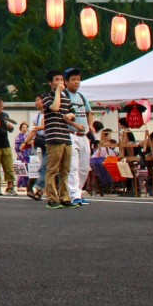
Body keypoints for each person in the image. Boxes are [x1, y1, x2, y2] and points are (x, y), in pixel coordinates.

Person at [42, 69, 77, 209]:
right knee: (52, 169)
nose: (60, 82)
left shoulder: (66, 98)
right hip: (53, 137)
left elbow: (72, 113)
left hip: (66, 137)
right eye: (57, 80)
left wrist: (71, 117)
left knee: (65, 170)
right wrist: (57, 92)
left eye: (62, 80)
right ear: (50, 83)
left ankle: (65, 197)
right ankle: (51, 198)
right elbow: (55, 107)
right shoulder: (47, 97)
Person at [63, 68, 94, 206]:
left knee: (84, 167)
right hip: (71, 134)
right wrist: (75, 125)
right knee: (73, 166)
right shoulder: (64, 96)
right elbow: (63, 117)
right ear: (66, 82)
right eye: (73, 79)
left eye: (78, 79)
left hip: (84, 136)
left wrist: (91, 126)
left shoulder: (82, 96)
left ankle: (79, 192)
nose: (77, 82)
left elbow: (89, 112)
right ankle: (74, 194)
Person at [21, 94, 46, 200]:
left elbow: (40, 128)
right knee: (41, 166)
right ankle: (36, 189)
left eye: (37, 100)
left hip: (50, 141)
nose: (36, 103)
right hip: (40, 142)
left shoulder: (49, 114)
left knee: (45, 166)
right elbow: (34, 131)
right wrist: (25, 142)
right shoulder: (38, 116)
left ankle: (38, 188)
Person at [14, 121, 31, 189]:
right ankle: (20, 185)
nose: (24, 128)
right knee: (21, 170)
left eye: (26, 127)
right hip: (21, 155)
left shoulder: (28, 136)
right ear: (20, 128)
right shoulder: (18, 137)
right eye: (23, 127)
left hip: (28, 155)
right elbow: (17, 147)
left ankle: (26, 185)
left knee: (28, 171)